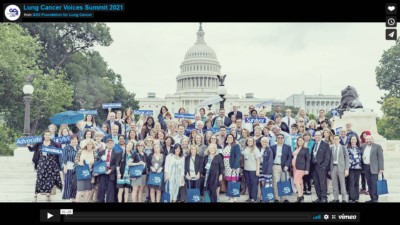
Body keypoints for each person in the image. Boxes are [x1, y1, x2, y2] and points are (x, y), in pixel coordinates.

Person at [28, 130, 62, 202]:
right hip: (42, 163)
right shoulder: (39, 144)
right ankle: (35, 195)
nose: (47, 136)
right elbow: (32, 149)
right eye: (46, 135)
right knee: (39, 179)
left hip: (51, 164)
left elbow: (59, 151)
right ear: (44, 135)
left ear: (50, 136)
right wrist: (28, 146)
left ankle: (48, 195)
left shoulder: (54, 143)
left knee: (49, 180)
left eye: (49, 135)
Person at [361, 135, 384, 203]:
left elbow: (380, 158)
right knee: (369, 183)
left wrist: (381, 168)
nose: (368, 140)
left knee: (374, 184)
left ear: (372, 139)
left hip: (374, 168)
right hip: (366, 167)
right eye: (367, 139)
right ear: (365, 140)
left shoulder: (377, 146)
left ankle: (375, 199)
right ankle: (372, 198)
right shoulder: (363, 146)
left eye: (370, 139)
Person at [270, 133, 292, 203]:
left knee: (284, 182)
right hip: (275, 166)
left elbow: (290, 157)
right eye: (278, 138)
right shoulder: (272, 147)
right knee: (275, 182)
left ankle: (285, 198)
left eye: (281, 138)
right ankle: (277, 198)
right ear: (276, 139)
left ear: (283, 139)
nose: (280, 139)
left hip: (284, 167)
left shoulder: (287, 147)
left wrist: (287, 165)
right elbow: (270, 157)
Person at [311, 131, 331, 203]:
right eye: (316, 135)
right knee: (316, 183)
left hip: (321, 166)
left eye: (319, 135)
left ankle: (324, 198)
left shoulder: (325, 144)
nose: (317, 137)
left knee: (322, 183)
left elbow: (327, 157)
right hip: (314, 166)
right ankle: (319, 197)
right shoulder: (314, 144)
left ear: (321, 136)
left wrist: (324, 166)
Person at [329, 135, 350, 203]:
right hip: (333, 167)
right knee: (334, 184)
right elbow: (330, 159)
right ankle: (336, 198)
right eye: (334, 139)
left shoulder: (343, 148)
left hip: (341, 168)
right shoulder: (331, 148)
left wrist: (346, 169)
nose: (335, 140)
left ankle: (344, 199)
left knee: (342, 183)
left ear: (339, 140)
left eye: (337, 139)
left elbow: (347, 159)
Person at [222, 134, 241, 202]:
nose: (229, 138)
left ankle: (234, 196)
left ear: (233, 139)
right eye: (228, 137)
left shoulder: (236, 146)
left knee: (234, 181)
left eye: (231, 137)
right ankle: (230, 195)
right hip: (226, 167)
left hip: (233, 166)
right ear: (226, 138)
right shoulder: (225, 146)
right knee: (229, 181)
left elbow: (238, 157)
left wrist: (235, 166)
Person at [243, 137, 262, 202]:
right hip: (246, 169)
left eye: (251, 141)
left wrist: (257, 170)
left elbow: (258, 160)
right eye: (248, 141)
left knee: (254, 184)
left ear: (253, 142)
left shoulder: (256, 149)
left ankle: (254, 198)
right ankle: (250, 197)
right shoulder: (246, 148)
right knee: (248, 184)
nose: (249, 142)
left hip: (253, 170)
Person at [292, 137, 310, 203]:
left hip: (301, 168)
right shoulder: (295, 148)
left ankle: (299, 197)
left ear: (303, 141)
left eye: (301, 140)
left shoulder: (306, 149)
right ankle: (301, 196)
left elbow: (308, 160)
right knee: (300, 182)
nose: (300, 141)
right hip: (294, 168)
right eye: (298, 140)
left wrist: (307, 169)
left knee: (296, 181)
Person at [62, 135, 80, 201]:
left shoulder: (79, 148)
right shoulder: (66, 147)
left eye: (76, 139)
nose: (74, 140)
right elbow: (64, 158)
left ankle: (74, 197)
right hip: (69, 167)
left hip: (77, 168)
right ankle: (67, 197)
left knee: (75, 183)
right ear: (70, 140)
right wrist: (65, 167)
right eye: (73, 139)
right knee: (68, 182)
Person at [347, 136, 363, 203]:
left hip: (358, 168)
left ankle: (356, 197)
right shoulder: (347, 149)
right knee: (351, 182)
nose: (353, 140)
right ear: (350, 140)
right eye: (352, 139)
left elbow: (361, 158)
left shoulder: (359, 148)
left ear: (357, 140)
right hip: (351, 168)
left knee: (357, 183)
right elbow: (347, 159)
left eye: (354, 139)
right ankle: (351, 197)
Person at [259, 137, 273, 202]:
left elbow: (270, 161)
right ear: (261, 142)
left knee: (267, 183)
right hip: (260, 168)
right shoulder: (259, 149)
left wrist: (268, 171)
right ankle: (263, 196)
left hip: (266, 169)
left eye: (265, 142)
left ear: (267, 143)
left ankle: (268, 197)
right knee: (262, 183)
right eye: (263, 142)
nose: (264, 143)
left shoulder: (269, 150)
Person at [359, 130, 371, 195]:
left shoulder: (372, 144)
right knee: (363, 177)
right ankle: (363, 188)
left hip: (369, 164)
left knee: (368, 177)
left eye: (365, 135)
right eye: (363, 136)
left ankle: (369, 189)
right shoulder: (361, 144)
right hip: (362, 164)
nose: (364, 137)